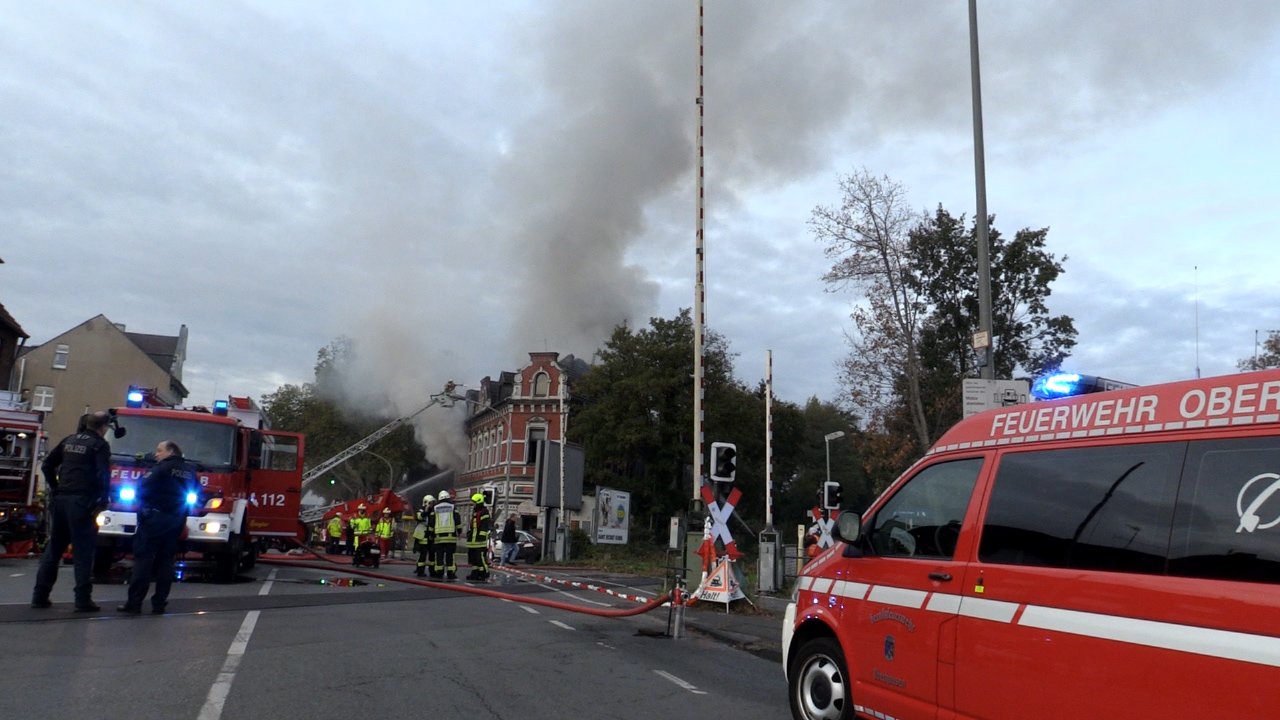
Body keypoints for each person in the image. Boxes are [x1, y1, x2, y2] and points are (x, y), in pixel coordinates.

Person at [32, 410, 112, 611]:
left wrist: (56, 487)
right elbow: (103, 474)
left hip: (61, 500)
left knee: (54, 550)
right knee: (83, 552)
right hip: (82, 502)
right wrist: (102, 500)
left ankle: (40, 595)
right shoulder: (99, 445)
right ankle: (82, 600)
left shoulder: (69, 440)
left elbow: (47, 465)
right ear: (103, 428)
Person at [118, 440, 188, 615]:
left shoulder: (161, 469)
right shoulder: (189, 472)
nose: (156, 454)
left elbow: (142, 488)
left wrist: (145, 507)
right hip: (176, 520)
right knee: (166, 563)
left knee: (143, 560)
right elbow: (195, 495)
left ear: (171, 451)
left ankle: (134, 603)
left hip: (155, 519)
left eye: (159, 450)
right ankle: (159, 603)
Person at [427, 490, 459, 580]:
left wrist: (430, 533)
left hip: (438, 538)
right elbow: (457, 520)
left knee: (439, 556)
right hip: (451, 537)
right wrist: (459, 531)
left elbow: (431, 522)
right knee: (450, 556)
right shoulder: (453, 507)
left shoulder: (435, 508)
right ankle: (451, 573)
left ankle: (439, 572)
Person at [465, 492, 492, 582]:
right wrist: (469, 534)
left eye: (474, 502)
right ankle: (475, 574)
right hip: (473, 541)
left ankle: (484, 573)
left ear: (478, 502)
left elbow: (484, 526)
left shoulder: (484, 512)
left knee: (480, 558)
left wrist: (480, 537)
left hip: (479, 541)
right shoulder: (476, 512)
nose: (473, 504)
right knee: (473, 559)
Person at [413, 495, 434, 577]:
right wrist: (426, 511)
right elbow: (418, 517)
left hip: (430, 535)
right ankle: (420, 571)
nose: (432, 504)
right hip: (422, 536)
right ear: (426, 502)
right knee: (423, 554)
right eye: (431, 503)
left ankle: (432, 571)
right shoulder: (421, 510)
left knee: (431, 554)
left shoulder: (433, 511)